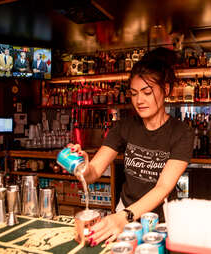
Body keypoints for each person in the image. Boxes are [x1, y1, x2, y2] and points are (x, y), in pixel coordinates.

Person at [69, 48, 194, 247]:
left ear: (167, 90)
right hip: (125, 214)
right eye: (134, 93)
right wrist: (81, 166)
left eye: (147, 92)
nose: (139, 100)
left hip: (160, 221)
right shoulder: (123, 127)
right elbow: (93, 173)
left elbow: (162, 187)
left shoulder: (182, 133)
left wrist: (123, 217)